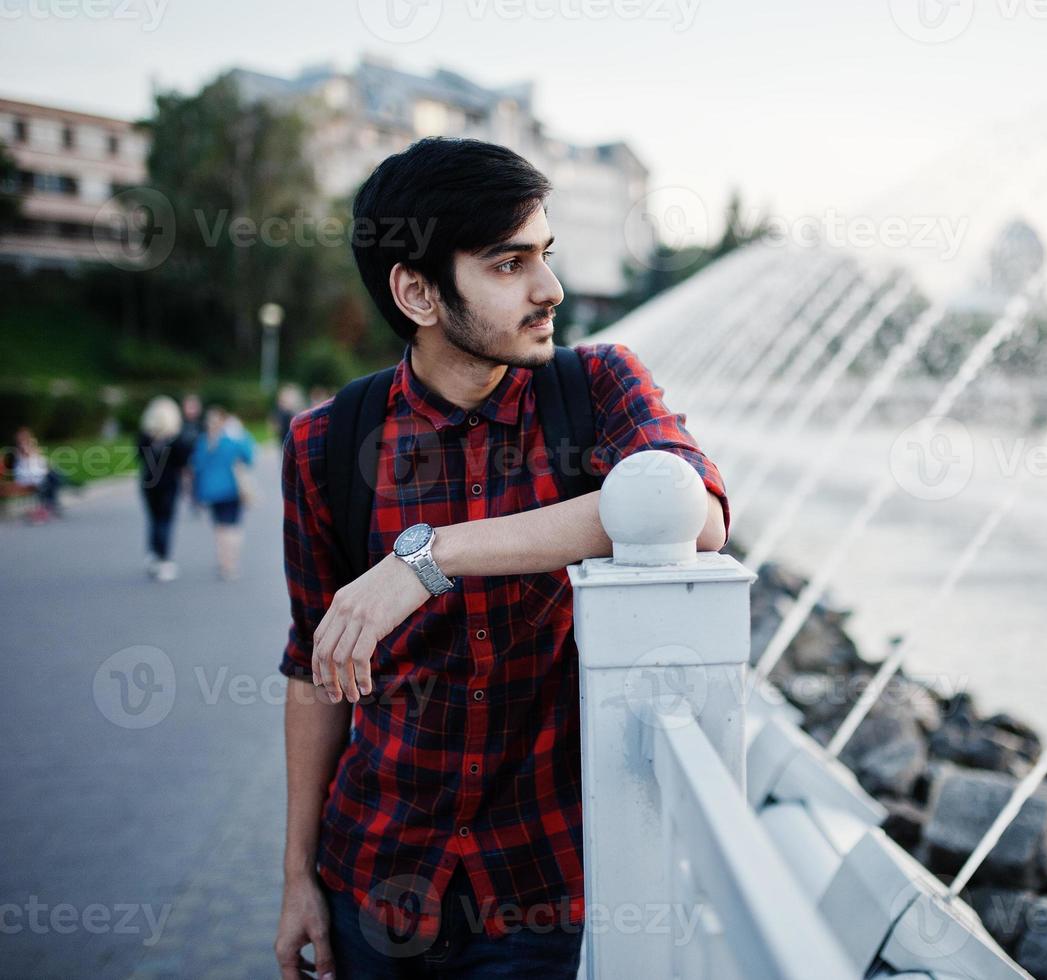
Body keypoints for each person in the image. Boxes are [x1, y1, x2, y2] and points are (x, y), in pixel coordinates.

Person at [273, 138, 730, 980]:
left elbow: (693, 514)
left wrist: (425, 559)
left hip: (537, 886)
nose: (549, 289)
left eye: (545, 255)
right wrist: (298, 876)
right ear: (415, 290)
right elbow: (312, 666)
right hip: (372, 878)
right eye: (508, 264)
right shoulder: (326, 444)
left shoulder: (596, 389)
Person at [190, 405, 255, 580]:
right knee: (233, 526)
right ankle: (231, 562)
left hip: (212, 491)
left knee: (220, 527)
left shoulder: (204, 442)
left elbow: (197, 466)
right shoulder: (232, 440)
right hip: (232, 489)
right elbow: (248, 458)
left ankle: (223, 560)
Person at [136, 396, 194, 581]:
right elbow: (183, 462)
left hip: (149, 482)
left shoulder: (145, 436)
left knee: (153, 519)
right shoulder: (176, 439)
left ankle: (153, 554)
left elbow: (139, 456)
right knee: (165, 521)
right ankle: (164, 558)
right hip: (168, 483)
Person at [10, 427, 65, 523]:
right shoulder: (20, 450)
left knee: (53, 476)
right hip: (28, 477)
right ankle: (50, 504)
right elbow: (28, 458)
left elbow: (40, 460)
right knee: (52, 478)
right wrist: (31, 447)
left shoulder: (31, 448)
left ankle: (50, 504)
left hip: (36, 475)